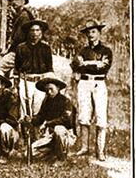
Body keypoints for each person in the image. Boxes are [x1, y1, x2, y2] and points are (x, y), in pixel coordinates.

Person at [71, 19, 112, 161]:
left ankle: (100, 151)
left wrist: (86, 64)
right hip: (84, 83)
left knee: (101, 117)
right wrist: (93, 64)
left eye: (93, 31)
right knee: (84, 115)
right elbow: (76, 65)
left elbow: (104, 67)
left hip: (99, 83)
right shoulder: (83, 50)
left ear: (99, 33)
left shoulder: (106, 51)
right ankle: (84, 147)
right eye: (88, 32)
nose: (90, 35)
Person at [27, 74, 77, 162]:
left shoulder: (65, 101)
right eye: (47, 90)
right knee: (30, 152)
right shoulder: (46, 102)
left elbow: (67, 120)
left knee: (58, 129)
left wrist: (48, 123)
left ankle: (62, 158)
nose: (49, 92)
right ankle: (53, 154)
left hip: (65, 135)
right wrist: (30, 120)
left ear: (58, 88)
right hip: (50, 136)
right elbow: (40, 117)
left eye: (51, 89)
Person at [14, 19, 53, 118]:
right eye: (32, 30)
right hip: (26, 81)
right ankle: (24, 131)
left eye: (38, 30)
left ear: (41, 32)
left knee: (38, 109)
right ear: (28, 32)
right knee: (24, 111)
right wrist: (16, 85)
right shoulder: (21, 48)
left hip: (40, 82)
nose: (35, 33)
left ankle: (36, 131)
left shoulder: (46, 48)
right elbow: (17, 68)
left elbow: (49, 68)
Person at [0, 0, 34, 75]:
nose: (13, 2)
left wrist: (8, 50)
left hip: (21, 52)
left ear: (23, 2)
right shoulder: (19, 15)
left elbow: (19, 38)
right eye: (12, 0)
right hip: (20, 50)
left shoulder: (24, 16)